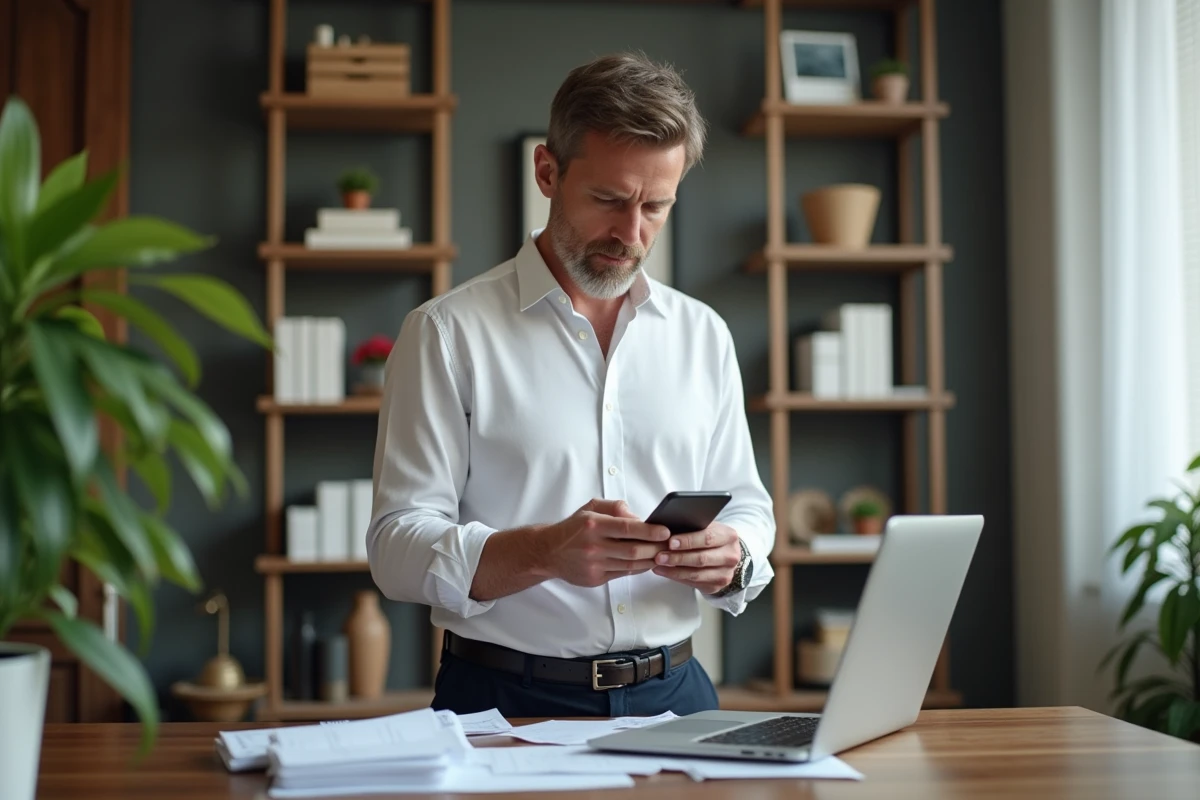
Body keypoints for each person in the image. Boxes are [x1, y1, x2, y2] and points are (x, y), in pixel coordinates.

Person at [367, 51, 775, 719]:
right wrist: (544, 553)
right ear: (547, 172)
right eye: (609, 200)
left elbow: (749, 507)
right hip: (503, 700)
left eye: (656, 206)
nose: (632, 233)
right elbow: (395, 548)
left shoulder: (703, 334)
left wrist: (735, 557)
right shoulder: (446, 332)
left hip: (680, 696)